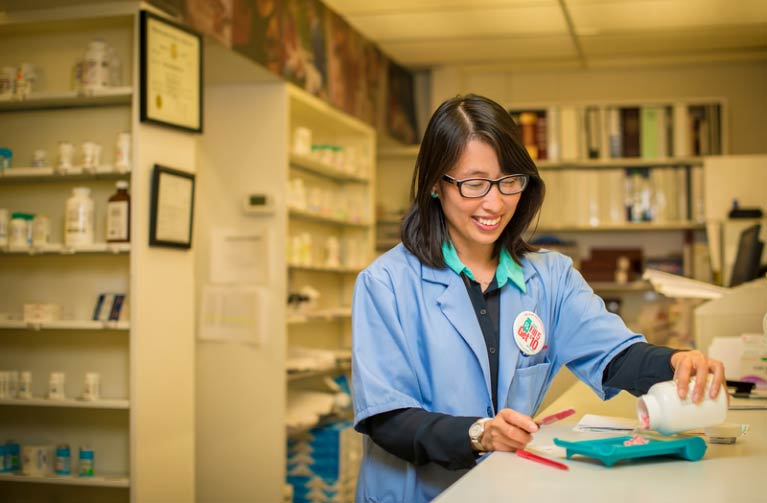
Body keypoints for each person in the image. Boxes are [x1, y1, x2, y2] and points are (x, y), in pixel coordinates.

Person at [351, 94, 725, 503]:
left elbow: (615, 355)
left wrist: (674, 361)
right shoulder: (386, 283)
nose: (494, 203)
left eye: (509, 181)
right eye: (474, 183)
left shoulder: (551, 277)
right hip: (419, 493)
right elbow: (387, 418)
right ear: (436, 185)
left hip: (505, 485)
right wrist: (478, 433)